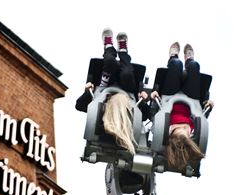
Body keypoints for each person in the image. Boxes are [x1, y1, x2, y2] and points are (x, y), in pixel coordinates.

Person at [76, 28, 149, 155]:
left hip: (105, 86)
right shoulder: (126, 115)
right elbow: (146, 115)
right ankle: (123, 52)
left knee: (110, 62)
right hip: (127, 89)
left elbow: (79, 105)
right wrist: (144, 101)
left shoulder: (104, 117)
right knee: (127, 74)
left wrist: (87, 92)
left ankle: (109, 47)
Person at [151, 42, 214, 172]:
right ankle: (189, 60)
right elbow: (202, 116)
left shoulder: (164, 128)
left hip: (170, 95)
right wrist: (209, 105)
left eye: (180, 129)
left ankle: (173, 56)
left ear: (172, 134)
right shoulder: (194, 130)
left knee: (176, 64)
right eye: (186, 130)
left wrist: (154, 95)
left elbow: (154, 114)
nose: (185, 128)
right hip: (191, 97)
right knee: (195, 66)